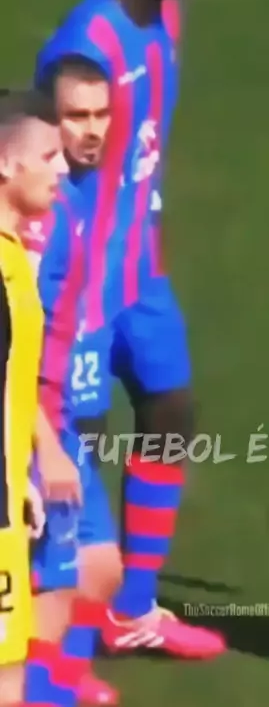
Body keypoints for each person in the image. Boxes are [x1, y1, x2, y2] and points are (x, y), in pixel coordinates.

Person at [34, 0, 226, 704]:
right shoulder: (86, 42)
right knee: (74, 457)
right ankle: (60, 654)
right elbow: (44, 155)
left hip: (139, 269)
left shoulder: (165, 18)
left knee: (171, 407)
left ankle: (133, 609)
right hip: (82, 281)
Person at [19, 59, 122, 707]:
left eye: (100, 114)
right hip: (32, 424)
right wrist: (44, 446)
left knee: (99, 568)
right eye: (73, 119)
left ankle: (56, 680)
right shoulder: (32, 230)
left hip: (53, 415)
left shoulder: (71, 202)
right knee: (52, 592)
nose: (89, 132)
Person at [0, 90, 66, 707]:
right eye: (49, 156)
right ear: (6, 163)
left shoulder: (13, 252)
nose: (63, 167)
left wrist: (19, 469)